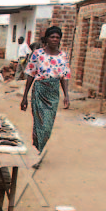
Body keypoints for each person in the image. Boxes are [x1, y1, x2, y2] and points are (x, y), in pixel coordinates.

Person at [21, 26, 70, 155]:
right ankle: (37, 150)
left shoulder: (63, 56)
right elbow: (31, 74)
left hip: (53, 92)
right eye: (52, 37)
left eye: (57, 37)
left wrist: (66, 95)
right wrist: (25, 96)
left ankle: (38, 146)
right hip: (39, 90)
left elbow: (64, 77)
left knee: (47, 125)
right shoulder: (38, 54)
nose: (55, 39)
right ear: (47, 38)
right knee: (39, 123)